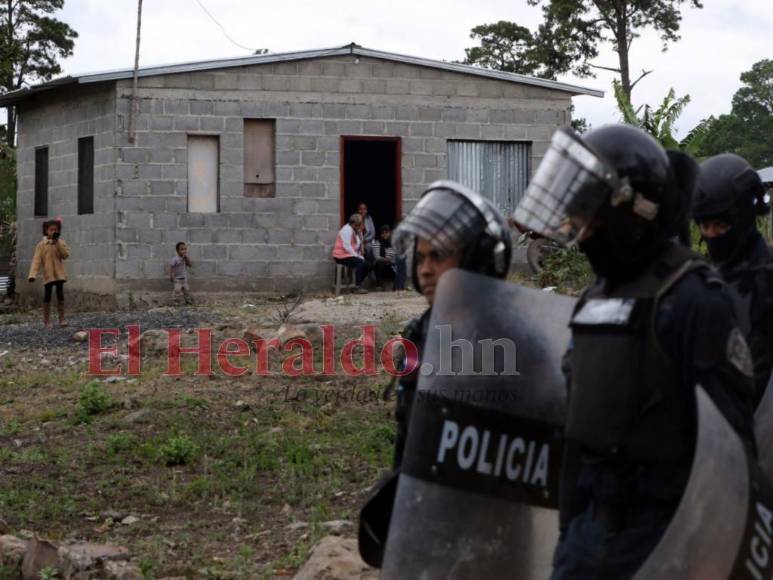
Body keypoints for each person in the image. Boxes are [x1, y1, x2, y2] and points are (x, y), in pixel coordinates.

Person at [513, 125, 757, 579]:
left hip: (663, 542)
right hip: (587, 540)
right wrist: (568, 537)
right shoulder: (592, 302)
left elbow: (732, 456)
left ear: (634, 211)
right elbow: (575, 434)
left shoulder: (694, 301)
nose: (581, 230)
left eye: (593, 213)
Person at [358, 180, 512, 567]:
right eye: (420, 258)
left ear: (477, 258)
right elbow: (409, 437)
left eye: (438, 257)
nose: (424, 270)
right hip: (428, 525)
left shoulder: (512, 340)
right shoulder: (421, 332)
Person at [692, 153, 773, 407]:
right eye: (705, 227)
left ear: (745, 218)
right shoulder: (703, 278)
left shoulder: (767, 277)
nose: (712, 234)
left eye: (720, 225)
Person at [28, 218, 70, 327]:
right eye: (51, 229)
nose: (53, 232)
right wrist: (32, 275)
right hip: (48, 276)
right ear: (46, 231)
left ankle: (62, 319)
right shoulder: (41, 245)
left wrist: (57, 243)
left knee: (60, 295)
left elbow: (65, 255)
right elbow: (36, 260)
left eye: (55, 230)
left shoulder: (61, 243)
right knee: (47, 296)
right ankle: (47, 321)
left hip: (59, 275)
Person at [332, 213, 369, 294]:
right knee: (359, 262)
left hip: (347, 254)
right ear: (354, 224)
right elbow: (347, 246)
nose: (360, 226)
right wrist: (357, 256)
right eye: (358, 225)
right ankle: (357, 287)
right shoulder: (347, 229)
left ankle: (356, 283)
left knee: (367, 265)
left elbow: (357, 245)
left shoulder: (354, 231)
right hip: (340, 256)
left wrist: (360, 234)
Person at [371, 225, 396, 289]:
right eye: (383, 233)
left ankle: (397, 287)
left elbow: (394, 256)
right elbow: (377, 257)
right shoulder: (376, 243)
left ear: (389, 233)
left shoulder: (392, 244)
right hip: (380, 267)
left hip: (390, 266)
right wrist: (385, 260)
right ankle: (378, 285)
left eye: (386, 232)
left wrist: (390, 260)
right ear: (380, 234)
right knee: (379, 263)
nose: (385, 234)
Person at [170, 241, 193, 306]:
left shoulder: (185, 258)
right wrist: (171, 275)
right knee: (177, 290)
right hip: (177, 279)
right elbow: (172, 267)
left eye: (185, 249)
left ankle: (188, 301)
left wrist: (186, 258)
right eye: (182, 249)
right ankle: (175, 303)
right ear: (177, 251)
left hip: (184, 279)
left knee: (187, 290)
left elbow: (190, 265)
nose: (184, 251)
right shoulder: (175, 259)